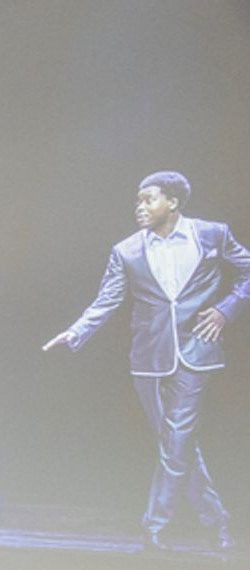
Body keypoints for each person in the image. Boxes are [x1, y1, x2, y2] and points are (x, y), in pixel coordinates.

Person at [44, 171, 250, 550]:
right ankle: (217, 518)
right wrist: (75, 333)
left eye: (148, 199)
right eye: (137, 201)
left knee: (178, 436)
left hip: (195, 352)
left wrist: (226, 310)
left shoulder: (211, 234)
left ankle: (153, 525)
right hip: (148, 357)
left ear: (172, 202)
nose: (140, 207)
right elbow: (107, 300)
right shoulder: (127, 250)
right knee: (176, 442)